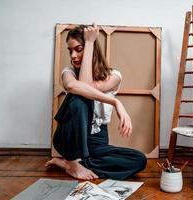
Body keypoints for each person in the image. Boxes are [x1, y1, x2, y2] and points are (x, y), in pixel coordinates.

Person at [45, 23, 147, 180]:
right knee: (79, 97)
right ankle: (73, 162)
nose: (73, 56)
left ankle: (68, 164)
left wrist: (91, 43)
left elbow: (87, 87)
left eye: (78, 49)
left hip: (97, 142)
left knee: (139, 160)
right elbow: (80, 88)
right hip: (68, 138)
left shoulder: (114, 75)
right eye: (70, 51)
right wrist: (115, 103)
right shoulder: (69, 72)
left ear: (92, 51)